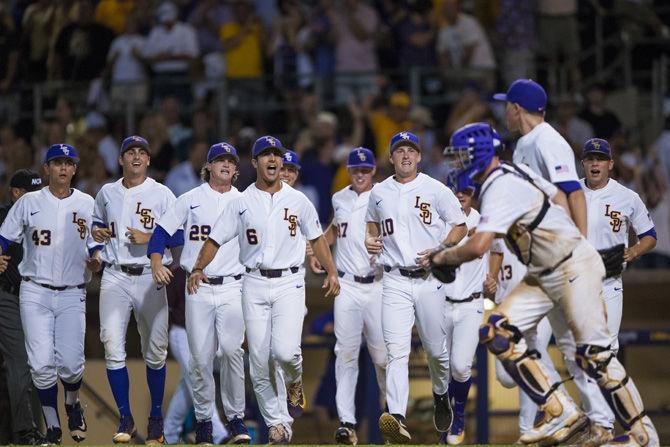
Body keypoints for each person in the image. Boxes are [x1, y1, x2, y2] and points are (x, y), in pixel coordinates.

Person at [427, 122, 659, 447]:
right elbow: (559, 196)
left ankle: (644, 436)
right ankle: (560, 410)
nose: (459, 163)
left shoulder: (499, 185)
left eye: (463, 156)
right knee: (498, 331)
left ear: (479, 155)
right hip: (545, 270)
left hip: (569, 267)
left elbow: (479, 245)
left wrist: (443, 258)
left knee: (597, 357)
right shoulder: (513, 172)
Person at [188, 135, 340, 444]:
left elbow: (316, 239)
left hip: (289, 282)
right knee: (258, 358)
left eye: (276, 154)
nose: (272, 159)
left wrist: (332, 270)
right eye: (265, 154)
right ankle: (277, 424)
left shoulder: (298, 200)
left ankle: (294, 382)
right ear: (255, 162)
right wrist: (198, 268)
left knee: (285, 352)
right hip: (253, 281)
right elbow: (214, 240)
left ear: (282, 162)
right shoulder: (241, 201)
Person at [494, 78, 616, 440]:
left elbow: (573, 194)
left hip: (562, 261)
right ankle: (579, 416)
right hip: (544, 262)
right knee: (553, 345)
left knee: (549, 343)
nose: (504, 112)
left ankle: (594, 420)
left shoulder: (548, 140)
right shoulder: (523, 146)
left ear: (517, 108)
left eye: (506, 105)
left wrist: (580, 249)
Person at [365, 131, 467, 443]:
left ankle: (440, 395)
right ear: (392, 157)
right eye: (400, 151)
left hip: (429, 280)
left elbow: (460, 225)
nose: (406, 155)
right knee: (397, 352)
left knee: (437, 353)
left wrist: (441, 249)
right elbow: (371, 226)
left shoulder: (436, 189)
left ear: (419, 157)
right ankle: (396, 415)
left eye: (411, 150)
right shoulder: (379, 192)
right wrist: (369, 239)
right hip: (394, 278)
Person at [149, 142, 250, 445]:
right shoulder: (190, 198)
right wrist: (155, 260)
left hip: (234, 284)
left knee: (233, 352)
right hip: (197, 286)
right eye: (219, 160)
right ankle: (205, 422)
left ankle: (236, 419)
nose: (225, 165)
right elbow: (161, 233)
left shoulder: (245, 201)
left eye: (230, 161)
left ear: (235, 169)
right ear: (208, 167)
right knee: (200, 359)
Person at [0, 145, 102, 445]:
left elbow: (96, 245)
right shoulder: (29, 202)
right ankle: (54, 427)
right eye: (57, 162)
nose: (62, 168)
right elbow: (5, 236)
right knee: (41, 366)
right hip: (34, 290)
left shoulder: (87, 203)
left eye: (68, 163)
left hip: (72, 292)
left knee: (71, 365)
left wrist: (97, 259)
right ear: (46, 168)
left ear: (74, 169)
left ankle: (71, 404)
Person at [92, 135, 178, 444]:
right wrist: (96, 234)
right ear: (121, 160)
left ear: (149, 160)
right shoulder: (106, 192)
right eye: (130, 152)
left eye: (142, 151)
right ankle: (125, 418)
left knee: (155, 351)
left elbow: (180, 234)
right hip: (115, 274)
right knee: (112, 343)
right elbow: (95, 225)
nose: (137, 156)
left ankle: (155, 417)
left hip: (150, 275)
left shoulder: (163, 193)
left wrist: (152, 237)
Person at [309, 147, 386, 445]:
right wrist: (320, 251)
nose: (361, 174)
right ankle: (347, 422)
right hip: (347, 285)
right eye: (356, 169)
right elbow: (334, 230)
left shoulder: (385, 195)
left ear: (373, 171)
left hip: (377, 282)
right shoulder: (339, 197)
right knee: (346, 353)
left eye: (365, 169)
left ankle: (389, 413)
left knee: (381, 355)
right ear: (349, 169)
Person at [580, 138, 657, 352]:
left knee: (605, 352)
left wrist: (633, 251)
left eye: (601, 159)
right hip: (576, 281)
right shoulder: (571, 193)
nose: (595, 164)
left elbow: (650, 235)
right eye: (591, 159)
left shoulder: (627, 197)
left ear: (611, 164)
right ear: (583, 163)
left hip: (609, 282)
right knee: (577, 349)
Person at [440, 174, 487, 445]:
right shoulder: (437, 219)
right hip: (441, 302)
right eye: (456, 190)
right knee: (441, 369)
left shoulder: (483, 221)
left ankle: (458, 416)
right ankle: (444, 420)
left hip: (471, 302)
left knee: (460, 366)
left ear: (473, 194)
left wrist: (492, 274)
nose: (461, 195)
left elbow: (498, 251)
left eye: (466, 191)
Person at [0, 170, 45, 445]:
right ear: (16, 193)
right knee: (20, 362)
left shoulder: (44, 217)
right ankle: (25, 431)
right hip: (7, 295)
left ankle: (31, 431)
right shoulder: (3, 216)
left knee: (34, 364)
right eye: (31, 192)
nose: (37, 198)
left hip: (32, 298)